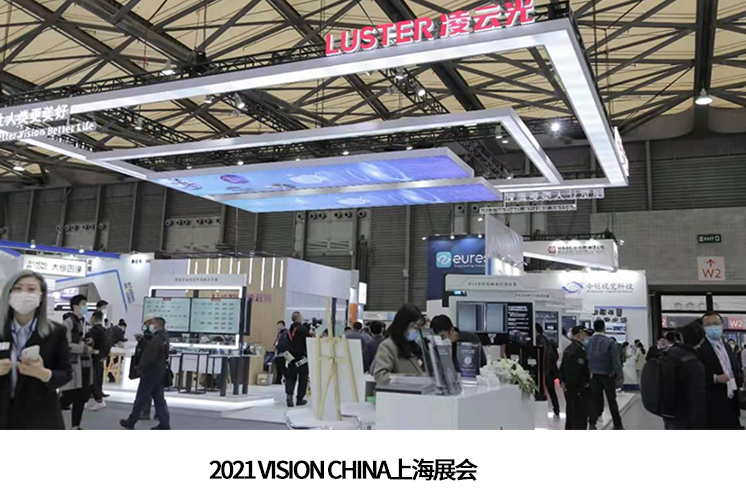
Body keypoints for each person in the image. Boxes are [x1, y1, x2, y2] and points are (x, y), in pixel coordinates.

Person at [0, 271, 72, 429]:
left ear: (41, 297)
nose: (24, 294)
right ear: (8, 293)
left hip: (40, 416)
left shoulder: (56, 332)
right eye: (17, 288)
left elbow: (66, 373)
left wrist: (44, 374)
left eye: (31, 289)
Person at [120, 316, 171, 430]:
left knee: (141, 397)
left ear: (157, 325)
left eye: (152, 323)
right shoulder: (164, 336)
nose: (150, 325)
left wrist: (140, 367)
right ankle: (164, 423)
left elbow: (149, 356)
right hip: (160, 371)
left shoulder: (156, 339)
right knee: (159, 398)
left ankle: (131, 421)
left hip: (151, 372)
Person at [698, 312, 742, 430]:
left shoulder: (727, 347)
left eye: (716, 323)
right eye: (708, 325)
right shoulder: (700, 349)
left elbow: (733, 368)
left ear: (722, 325)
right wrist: (715, 378)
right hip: (713, 402)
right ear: (703, 328)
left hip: (732, 398)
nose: (713, 327)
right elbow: (696, 376)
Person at [59, 294, 96, 430]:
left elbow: (81, 339)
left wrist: (89, 342)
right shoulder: (68, 323)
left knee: (81, 397)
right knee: (69, 396)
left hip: (84, 365)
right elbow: (65, 345)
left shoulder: (83, 322)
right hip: (74, 365)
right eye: (83, 304)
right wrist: (84, 348)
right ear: (75, 306)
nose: (85, 307)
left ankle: (75, 426)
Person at [663, 321, 707, 430]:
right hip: (685, 416)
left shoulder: (670, 354)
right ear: (702, 340)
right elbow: (697, 399)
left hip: (668, 411)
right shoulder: (694, 364)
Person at [372, 304, 427, 386]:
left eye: (419, 328)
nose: (417, 331)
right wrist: (409, 379)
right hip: (400, 392)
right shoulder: (388, 346)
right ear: (403, 325)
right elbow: (380, 376)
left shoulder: (412, 346)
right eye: (415, 327)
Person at [586, 320, 624, 430]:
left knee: (594, 400)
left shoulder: (589, 342)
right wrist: (620, 376)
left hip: (594, 375)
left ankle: (592, 424)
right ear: (604, 328)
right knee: (612, 401)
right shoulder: (610, 342)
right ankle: (617, 424)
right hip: (608, 375)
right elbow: (615, 361)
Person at [560, 325, 591, 430]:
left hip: (572, 389)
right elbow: (573, 372)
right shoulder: (577, 351)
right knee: (578, 417)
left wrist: (563, 382)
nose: (586, 337)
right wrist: (581, 386)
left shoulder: (572, 348)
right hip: (577, 390)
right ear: (579, 335)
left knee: (571, 414)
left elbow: (562, 369)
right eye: (585, 335)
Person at [85, 310, 109, 411]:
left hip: (93, 358)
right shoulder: (105, 331)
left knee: (91, 380)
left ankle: (99, 400)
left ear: (93, 318)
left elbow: (88, 343)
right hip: (101, 358)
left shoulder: (93, 331)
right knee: (97, 380)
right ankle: (86, 400)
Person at [285, 312, 309, 408]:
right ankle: (299, 398)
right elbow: (308, 341)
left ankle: (289, 395)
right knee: (303, 379)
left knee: (291, 378)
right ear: (299, 318)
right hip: (302, 357)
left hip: (291, 357)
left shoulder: (289, 331)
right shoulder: (303, 329)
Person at [536, 323, 560, 417]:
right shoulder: (547, 340)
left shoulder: (540, 341)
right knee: (551, 391)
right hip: (550, 370)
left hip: (545, 370)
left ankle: (552, 408)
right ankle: (556, 408)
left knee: (545, 390)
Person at [273, 320, 289, 385]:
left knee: (282, 366)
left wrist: (278, 346)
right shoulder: (280, 333)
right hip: (278, 352)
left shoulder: (285, 333)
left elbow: (283, 343)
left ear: (282, 325)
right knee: (278, 367)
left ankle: (287, 377)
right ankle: (278, 380)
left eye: (279, 325)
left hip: (282, 352)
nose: (278, 327)